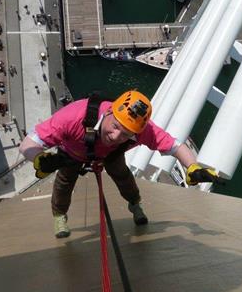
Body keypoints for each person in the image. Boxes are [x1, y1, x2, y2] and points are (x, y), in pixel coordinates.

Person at [19, 90, 221, 238]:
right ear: (108, 113)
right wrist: (39, 158)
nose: (116, 136)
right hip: (71, 153)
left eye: (126, 134)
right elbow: (28, 144)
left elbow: (175, 146)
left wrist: (192, 166)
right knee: (64, 182)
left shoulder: (142, 130)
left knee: (123, 177)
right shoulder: (73, 117)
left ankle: (135, 204)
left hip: (109, 155)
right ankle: (59, 215)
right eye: (115, 126)